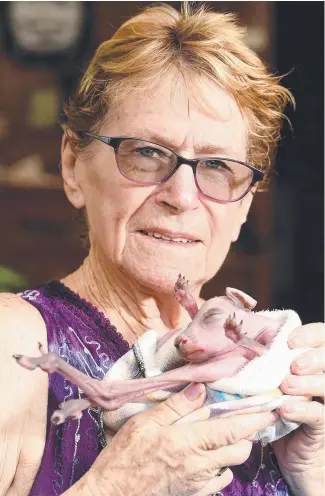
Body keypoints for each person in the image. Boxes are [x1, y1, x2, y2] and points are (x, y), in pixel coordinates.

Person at [1, 4, 324, 496]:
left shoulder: (266, 382)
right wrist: (119, 487)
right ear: (72, 165)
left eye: (218, 167)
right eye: (147, 152)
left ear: (244, 205)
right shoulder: (16, 348)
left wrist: (312, 477)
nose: (182, 196)